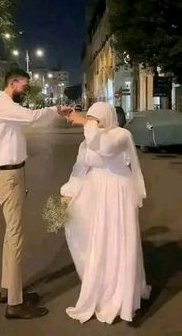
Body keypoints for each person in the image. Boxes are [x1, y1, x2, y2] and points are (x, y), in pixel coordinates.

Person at [0, 68, 71, 320]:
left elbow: (29, 119)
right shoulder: (2, 105)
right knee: (15, 236)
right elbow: (33, 117)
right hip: (9, 176)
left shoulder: (4, 106)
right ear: (12, 83)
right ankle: (15, 303)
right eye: (25, 86)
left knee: (10, 235)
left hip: (12, 174)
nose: (26, 90)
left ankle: (7, 289)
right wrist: (56, 109)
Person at [61, 102, 151, 324]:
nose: (92, 123)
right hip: (94, 195)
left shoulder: (121, 135)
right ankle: (101, 290)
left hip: (118, 194)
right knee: (97, 241)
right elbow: (80, 168)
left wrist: (85, 121)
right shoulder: (88, 142)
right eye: (91, 119)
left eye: (96, 119)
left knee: (120, 241)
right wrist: (68, 192)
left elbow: (106, 148)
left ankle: (122, 295)